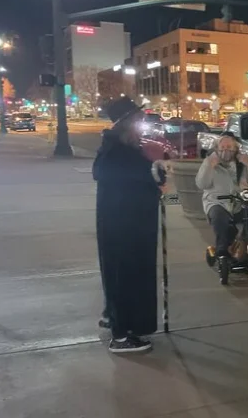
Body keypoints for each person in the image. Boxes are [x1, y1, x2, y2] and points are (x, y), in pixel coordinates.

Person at [93, 97, 166, 354]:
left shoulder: (121, 147)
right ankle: (121, 334)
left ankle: (117, 318)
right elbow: (114, 174)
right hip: (124, 225)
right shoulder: (116, 150)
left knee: (126, 274)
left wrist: (153, 168)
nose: (142, 122)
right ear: (127, 122)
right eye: (138, 119)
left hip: (130, 223)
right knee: (124, 274)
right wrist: (152, 173)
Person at [195, 134, 248, 269]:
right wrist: (209, 166)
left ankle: (243, 242)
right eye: (223, 147)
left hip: (240, 202)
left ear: (236, 148)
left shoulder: (242, 163)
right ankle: (222, 251)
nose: (226, 150)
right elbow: (202, 184)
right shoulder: (210, 161)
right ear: (217, 149)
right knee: (220, 219)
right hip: (217, 202)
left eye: (229, 147)